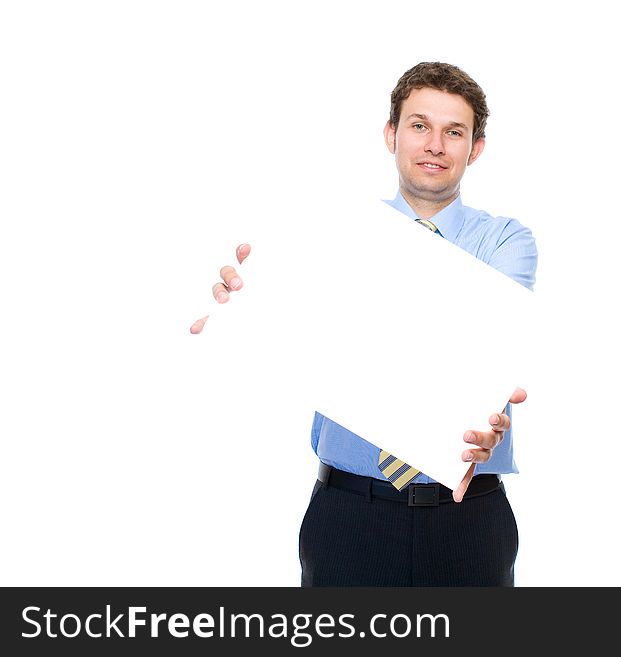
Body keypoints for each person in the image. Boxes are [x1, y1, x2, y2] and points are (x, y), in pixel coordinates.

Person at [191, 62, 538, 586]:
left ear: (476, 147)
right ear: (391, 134)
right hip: (349, 513)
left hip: (470, 520)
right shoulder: (329, 235)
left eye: (454, 132)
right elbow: (440, 342)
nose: (435, 145)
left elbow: (480, 344)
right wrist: (254, 306)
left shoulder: (507, 242)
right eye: (419, 126)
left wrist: (340, 314)